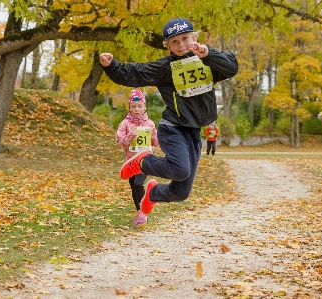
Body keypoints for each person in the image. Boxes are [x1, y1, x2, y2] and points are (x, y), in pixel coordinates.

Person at [99, 18, 238, 218]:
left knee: (181, 192)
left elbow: (232, 67)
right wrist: (112, 66)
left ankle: (152, 193)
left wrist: (208, 54)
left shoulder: (207, 61)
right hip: (172, 128)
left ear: (195, 38)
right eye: (174, 42)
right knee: (180, 170)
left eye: (185, 38)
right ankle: (142, 163)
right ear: (168, 46)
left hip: (192, 131)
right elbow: (135, 73)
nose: (181, 45)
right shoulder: (166, 68)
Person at [116, 89, 158, 226]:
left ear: (145, 106)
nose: (137, 109)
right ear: (129, 107)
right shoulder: (125, 123)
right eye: (133, 107)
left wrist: (154, 136)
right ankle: (139, 211)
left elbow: (156, 142)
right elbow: (119, 140)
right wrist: (128, 138)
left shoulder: (150, 123)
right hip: (130, 161)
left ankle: (143, 212)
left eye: (140, 106)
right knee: (134, 186)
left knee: (139, 183)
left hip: (145, 160)